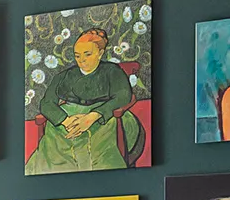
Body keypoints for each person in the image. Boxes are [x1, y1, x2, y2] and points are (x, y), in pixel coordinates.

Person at [26, 27, 144, 173]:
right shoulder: (66, 76)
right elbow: (47, 103)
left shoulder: (112, 71)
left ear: (100, 53)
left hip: (104, 114)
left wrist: (93, 116)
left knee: (103, 132)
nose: (82, 60)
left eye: (87, 54)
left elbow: (123, 96)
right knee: (54, 131)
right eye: (77, 55)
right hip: (68, 116)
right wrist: (65, 120)